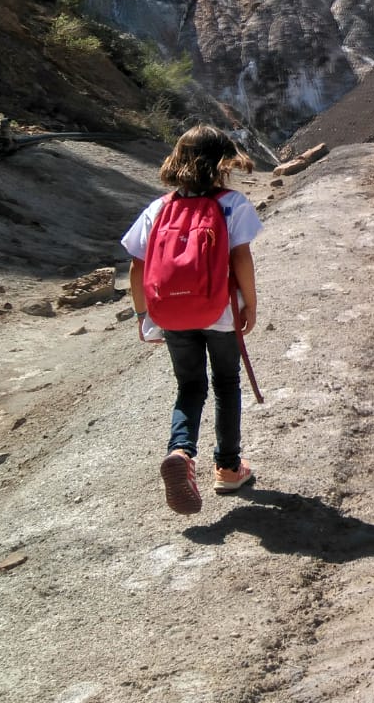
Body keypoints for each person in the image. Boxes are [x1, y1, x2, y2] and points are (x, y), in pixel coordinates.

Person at [122, 125, 262, 514]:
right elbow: (241, 258)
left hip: (172, 314)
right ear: (223, 162)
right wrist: (250, 304)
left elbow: (136, 266)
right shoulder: (232, 204)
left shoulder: (158, 209)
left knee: (189, 386)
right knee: (226, 384)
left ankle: (181, 452)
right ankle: (229, 468)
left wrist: (143, 314)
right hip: (220, 311)